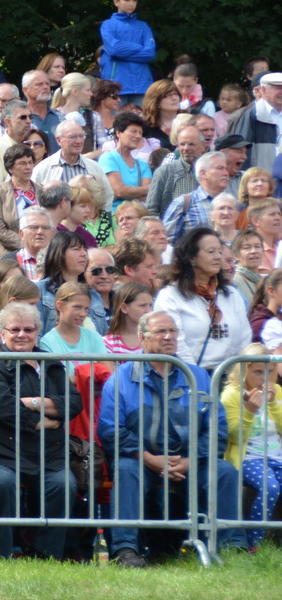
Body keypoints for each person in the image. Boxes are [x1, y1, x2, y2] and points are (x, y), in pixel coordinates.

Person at [97, 311, 244, 566]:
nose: (168, 337)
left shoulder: (198, 376)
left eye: (173, 331)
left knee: (224, 472)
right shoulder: (120, 378)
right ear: (143, 339)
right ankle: (125, 550)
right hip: (141, 459)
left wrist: (190, 460)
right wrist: (150, 459)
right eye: (161, 332)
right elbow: (110, 430)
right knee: (125, 469)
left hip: (190, 461)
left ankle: (232, 548)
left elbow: (217, 429)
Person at [0, 303, 78, 560]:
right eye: (14, 329)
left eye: (28, 329)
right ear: (2, 334)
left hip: (47, 452)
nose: (22, 335)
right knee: (3, 482)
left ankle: (46, 554)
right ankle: (4, 552)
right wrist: (42, 421)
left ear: (38, 333)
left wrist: (32, 401)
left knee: (65, 484)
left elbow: (73, 402)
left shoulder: (51, 364)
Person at [153, 228, 251, 369]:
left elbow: (244, 337)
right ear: (192, 257)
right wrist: (196, 377)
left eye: (219, 251)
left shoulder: (231, 294)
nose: (218, 257)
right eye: (211, 252)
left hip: (230, 379)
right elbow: (177, 343)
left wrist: (236, 376)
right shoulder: (170, 295)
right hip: (190, 377)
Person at [221, 344, 282, 550]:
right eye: (258, 372)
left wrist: (273, 404)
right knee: (270, 487)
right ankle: (254, 544)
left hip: (277, 456)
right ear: (244, 370)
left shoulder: (279, 391)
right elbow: (234, 437)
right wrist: (249, 410)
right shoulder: (231, 394)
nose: (265, 377)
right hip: (248, 458)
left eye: (270, 371)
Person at [99, 0, 156, 102]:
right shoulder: (107, 25)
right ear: (116, 2)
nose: (132, 3)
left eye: (134, 0)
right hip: (115, 84)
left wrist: (121, 54)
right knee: (115, 120)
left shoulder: (143, 26)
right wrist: (138, 46)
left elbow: (150, 54)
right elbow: (115, 49)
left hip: (141, 84)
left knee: (141, 120)